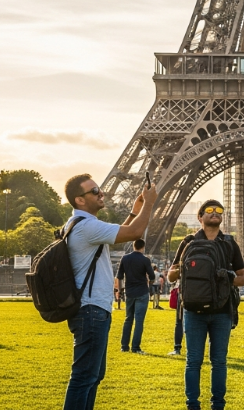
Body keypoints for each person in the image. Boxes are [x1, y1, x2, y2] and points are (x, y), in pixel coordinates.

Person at [61, 173, 156, 410]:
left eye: (99, 188)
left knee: (92, 377)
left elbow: (124, 229)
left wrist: (136, 211)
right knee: (84, 378)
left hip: (91, 310)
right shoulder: (87, 227)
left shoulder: (79, 225)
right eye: (94, 191)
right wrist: (150, 203)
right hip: (91, 310)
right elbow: (133, 234)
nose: (100, 193)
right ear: (79, 200)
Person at [167, 199, 244, 410]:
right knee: (194, 361)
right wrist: (183, 270)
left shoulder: (229, 243)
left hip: (221, 310)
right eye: (209, 210)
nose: (215, 213)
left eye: (219, 210)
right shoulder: (187, 242)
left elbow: (242, 278)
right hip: (194, 310)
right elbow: (170, 276)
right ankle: (192, 405)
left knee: (218, 361)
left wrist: (228, 276)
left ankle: (217, 405)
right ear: (200, 216)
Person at [115, 238, 155, 354]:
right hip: (142, 291)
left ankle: (124, 345)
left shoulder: (125, 258)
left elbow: (120, 276)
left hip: (129, 291)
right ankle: (136, 347)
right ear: (143, 247)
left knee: (128, 319)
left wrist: (119, 290)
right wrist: (149, 282)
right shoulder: (145, 260)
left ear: (133, 246)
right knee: (139, 321)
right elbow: (152, 276)